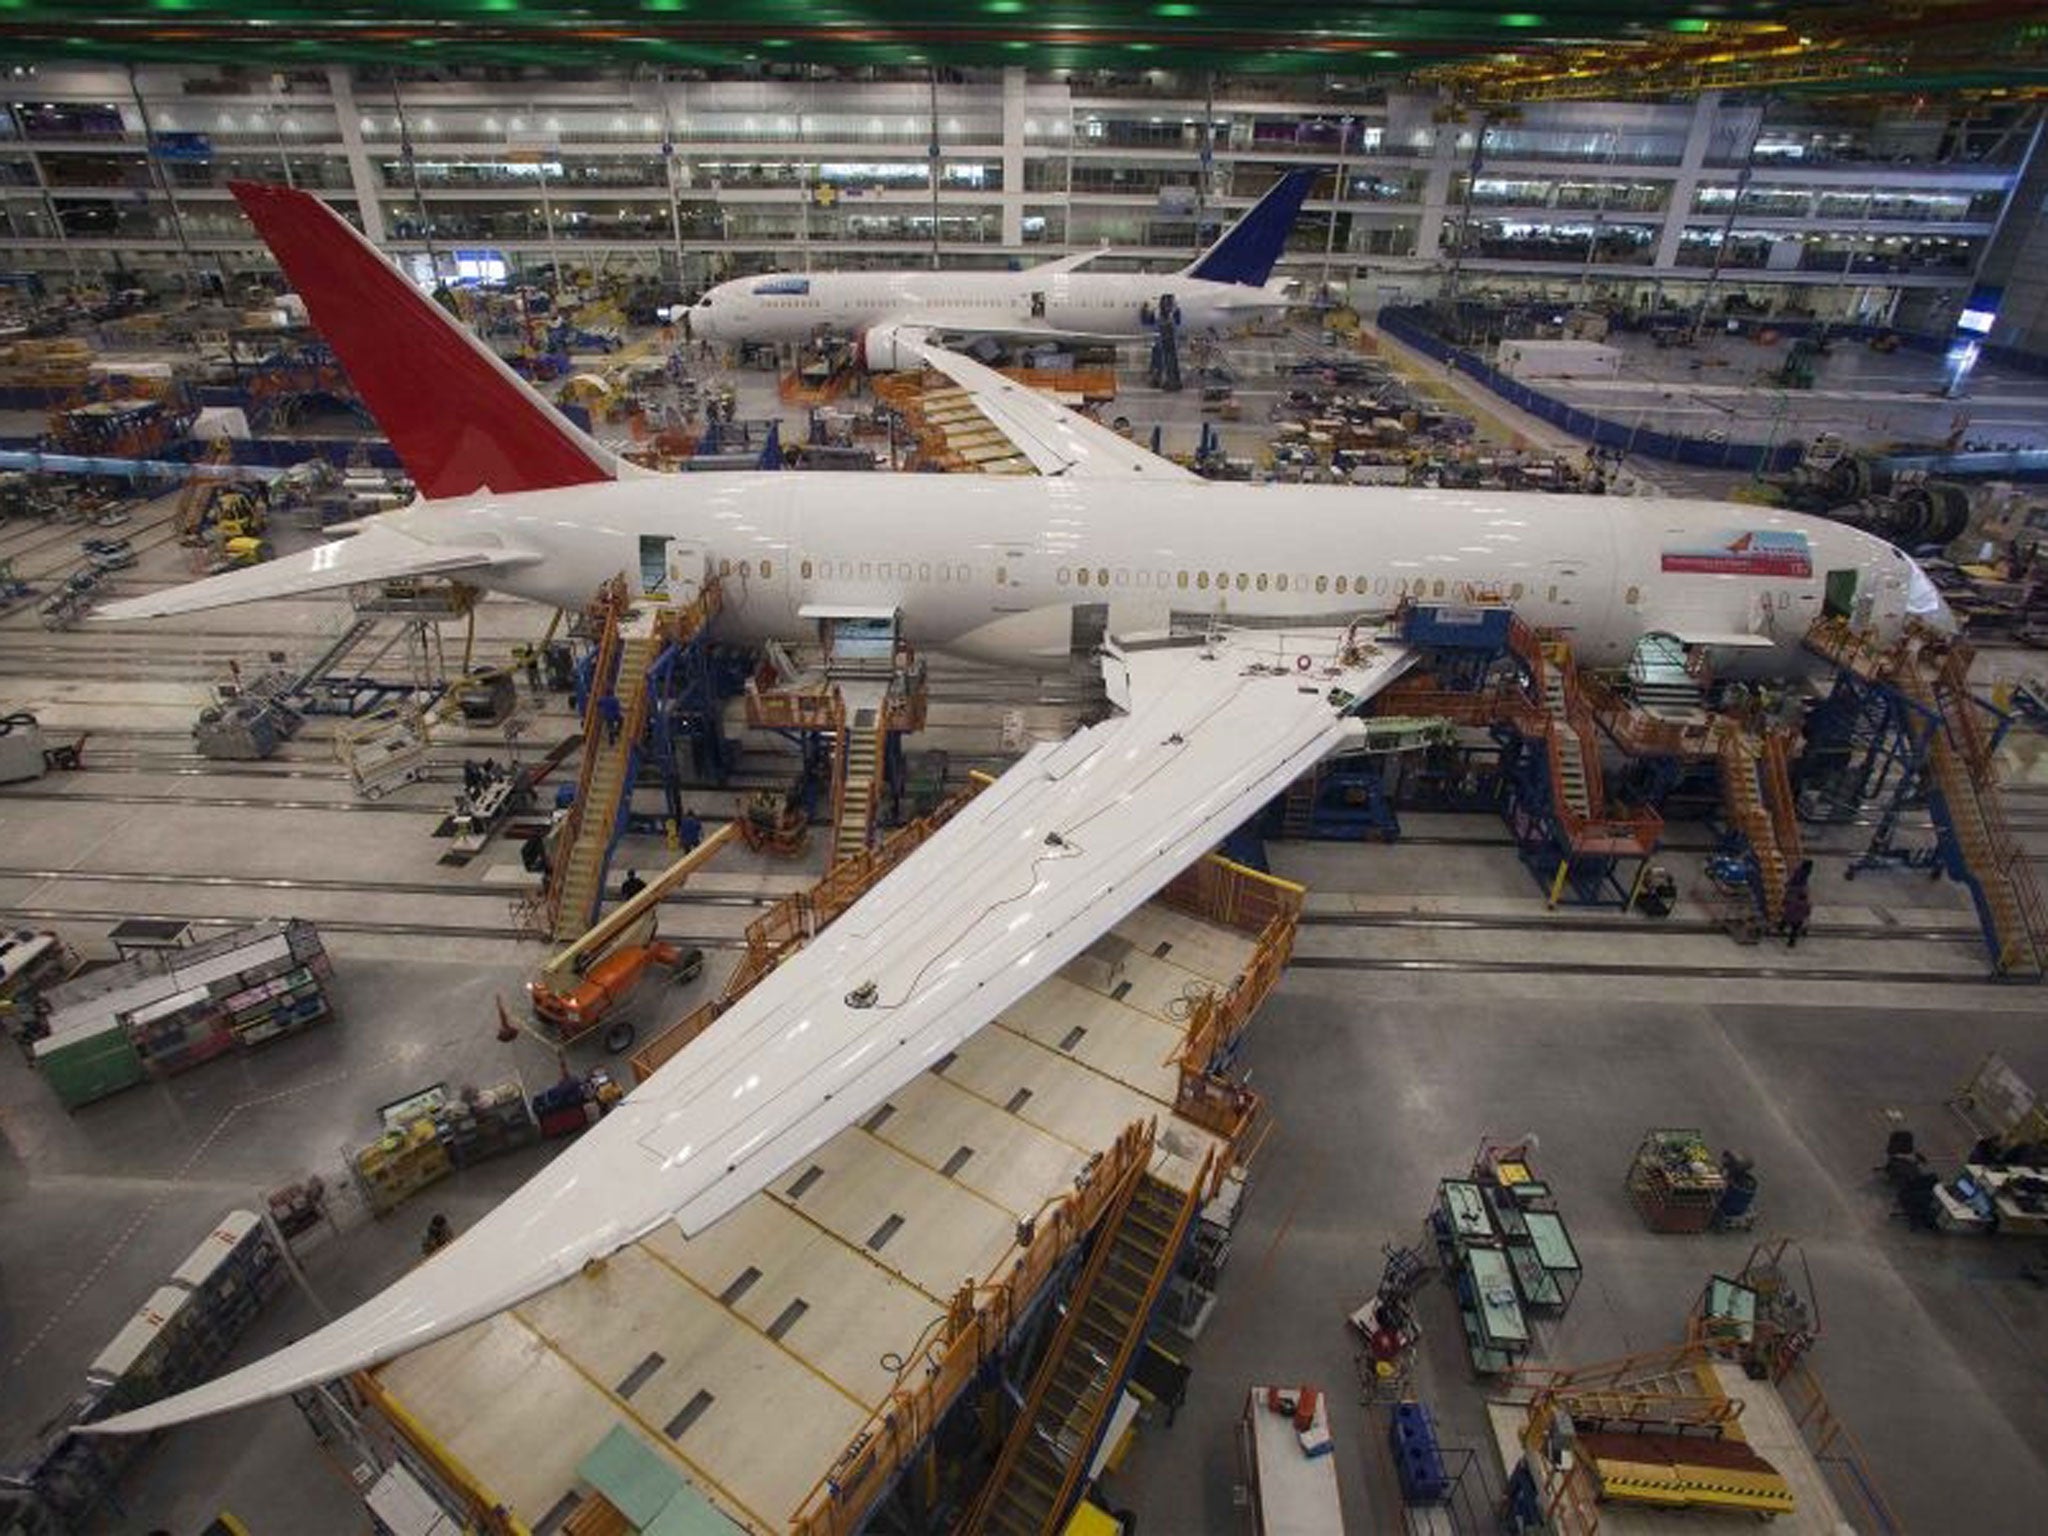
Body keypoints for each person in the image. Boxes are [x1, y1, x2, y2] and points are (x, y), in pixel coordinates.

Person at [1780, 859, 1814, 948]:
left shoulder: (1797, 873)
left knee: (1787, 917)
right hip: (1797, 912)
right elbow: (1807, 910)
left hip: (1792, 902)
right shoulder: (1804, 876)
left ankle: (1781, 926)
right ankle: (1791, 942)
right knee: (1795, 928)